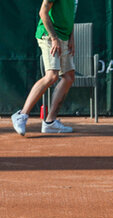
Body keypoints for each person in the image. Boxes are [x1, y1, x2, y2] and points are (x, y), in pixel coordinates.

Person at [11, 0, 78, 136]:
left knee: (69, 77)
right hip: (49, 35)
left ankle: (50, 122)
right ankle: (21, 115)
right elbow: (43, 12)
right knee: (52, 76)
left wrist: (72, 37)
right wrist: (54, 38)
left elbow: (71, 16)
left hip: (64, 37)